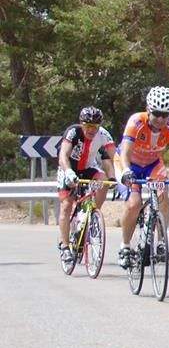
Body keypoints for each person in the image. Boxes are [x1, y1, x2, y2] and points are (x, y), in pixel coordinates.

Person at [114, 86, 169, 269]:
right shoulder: (136, 121)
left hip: (152, 164)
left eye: (165, 115)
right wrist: (127, 171)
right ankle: (125, 246)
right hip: (128, 163)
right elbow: (126, 152)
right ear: (148, 109)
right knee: (134, 203)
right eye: (157, 114)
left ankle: (160, 242)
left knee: (163, 195)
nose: (161, 119)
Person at [55, 106, 118, 263]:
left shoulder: (103, 135)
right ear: (81, 124)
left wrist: (114, 179)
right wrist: (69, 172)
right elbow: (63, 155)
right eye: (88, 126)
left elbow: (112, 159)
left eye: (94, 127)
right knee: (66, 205)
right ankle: (64, 246)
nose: (91, 130)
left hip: (88, 169)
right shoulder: (73, 132)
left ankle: (92, 216)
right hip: (68, 168)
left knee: (103, 181)